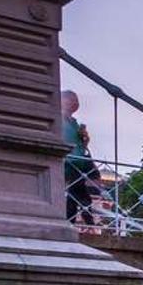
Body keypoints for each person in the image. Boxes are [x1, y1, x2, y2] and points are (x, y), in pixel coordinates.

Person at [62, 90, 100, 226]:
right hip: (68, 162)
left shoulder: (74, 123)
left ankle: (71, 222)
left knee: (74, 193)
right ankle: (86, 218)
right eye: (71, 99)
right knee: (77, 193)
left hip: (78, 162)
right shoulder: (57, 119)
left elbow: (81, 146)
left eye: (76, 100)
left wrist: (85, 140)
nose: (75, 103)